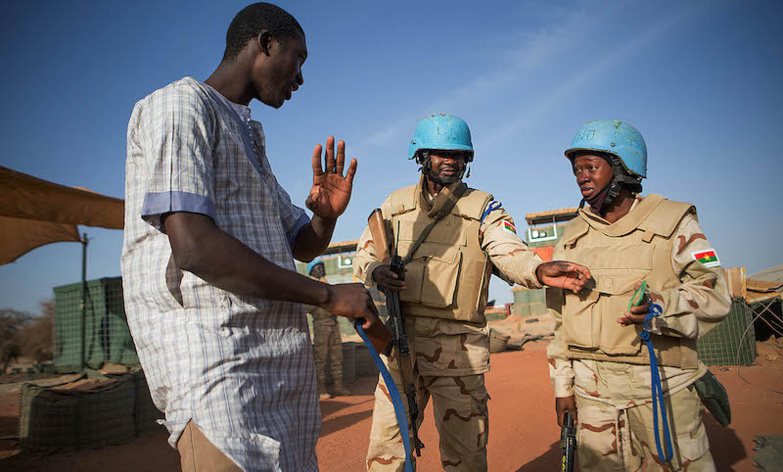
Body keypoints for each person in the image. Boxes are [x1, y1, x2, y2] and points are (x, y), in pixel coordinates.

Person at [121, 3, 380, 471]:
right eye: (297, 59)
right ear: (265, 43)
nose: (300, 78)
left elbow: (300, 242)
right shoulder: (182, 105)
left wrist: (325, 218)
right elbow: (194, 246)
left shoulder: (247, 135)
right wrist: (325, 294)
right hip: (218, 371)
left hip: (274, 371)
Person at [354, 113, 591, 472]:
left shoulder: (483, 208)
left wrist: (537, 269)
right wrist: (376, 271)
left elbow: (508, 251)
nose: (451, 161)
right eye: (441, 153)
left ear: (468, 160)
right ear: (422, 156)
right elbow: (365, 254)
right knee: (386, 452)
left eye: (459, 155)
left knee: (466, 456)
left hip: (458, 352)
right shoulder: (395, 206)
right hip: (402, 346)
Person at [546, 119, 731, 471]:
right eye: (576, 168)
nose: (581, 176)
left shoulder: (675, 223)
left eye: (591, 166)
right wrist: (562, 387)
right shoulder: (570, 238)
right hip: (593, 392)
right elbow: (559, 322)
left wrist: (662, 306)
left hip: (662, 386)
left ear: (623, 167)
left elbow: (716, 293)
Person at [306, 258, 351, 400]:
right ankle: (321, 388)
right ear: (312, 272)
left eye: (322, 267)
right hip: (321, 326)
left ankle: (338, 385)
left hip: (334, 324)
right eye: (317, 268)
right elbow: (308, 308)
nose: (321, 270)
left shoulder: (329, 286)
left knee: (337, 357)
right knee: (321, 358)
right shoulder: (311, 289)